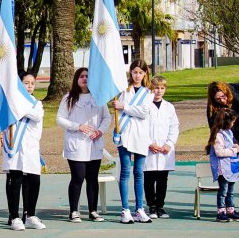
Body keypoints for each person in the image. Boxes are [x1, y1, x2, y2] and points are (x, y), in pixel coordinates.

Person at [57, 67, 110, 222]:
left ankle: (93, 210)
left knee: (92, 178)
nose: (85, 79)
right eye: (82, 76)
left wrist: (100, 131)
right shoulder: (69, 98)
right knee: (78, 177)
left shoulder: (98, 98)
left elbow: (106, 118)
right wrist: (77, 126)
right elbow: (60, 119)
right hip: (77, 143)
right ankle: (74, 211)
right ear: (76, 79)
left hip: (94, 143)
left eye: (88, 76)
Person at [112, 60, 153, 224]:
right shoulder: (123, 90)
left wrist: (125, 106)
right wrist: (121, 105)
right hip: (125, 135)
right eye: (135, 72)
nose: (137, 75)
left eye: (140, 73)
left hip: (141, 136)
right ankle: (125, 209)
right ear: (131, 73)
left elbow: (143, 112)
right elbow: (118, 107)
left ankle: (140, 209)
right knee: (125, 172)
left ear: (145, 74)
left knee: (139, 173)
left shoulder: (148, 93)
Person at [4, 72, 45, 231]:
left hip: (32, 147)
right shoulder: (10, 103)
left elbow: (36, 116)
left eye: (32, 83)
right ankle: (14, 216)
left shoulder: (37, 103)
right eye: (26, 83)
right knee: (16, 180)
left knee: (34, 180)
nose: (29, 86)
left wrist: (19, 108)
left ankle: (30, 215)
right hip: (16, 147)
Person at [144, 76, 179, 219]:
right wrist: (148, 143)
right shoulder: (145, 106)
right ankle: (151, 206)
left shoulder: (169, 107)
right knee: (149, 179)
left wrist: (169, 144)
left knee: (162, 179)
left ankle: (160, 206)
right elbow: (141, 127)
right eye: (156, 88)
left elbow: (174, 126)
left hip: (165, 150)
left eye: (162, 88)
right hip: (149, 149)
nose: (159, 91)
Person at [207, 109, 239, 223]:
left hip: (231, 166)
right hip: (223, 167)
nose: (233, 124)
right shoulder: (218, 135)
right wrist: (234, 150)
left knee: (231, 190)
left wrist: (236, 147)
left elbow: (232, 144)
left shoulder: (229, 133)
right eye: (232, 121)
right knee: (223, 191)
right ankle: (221, 211)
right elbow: (220, 152)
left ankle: (230, 209)